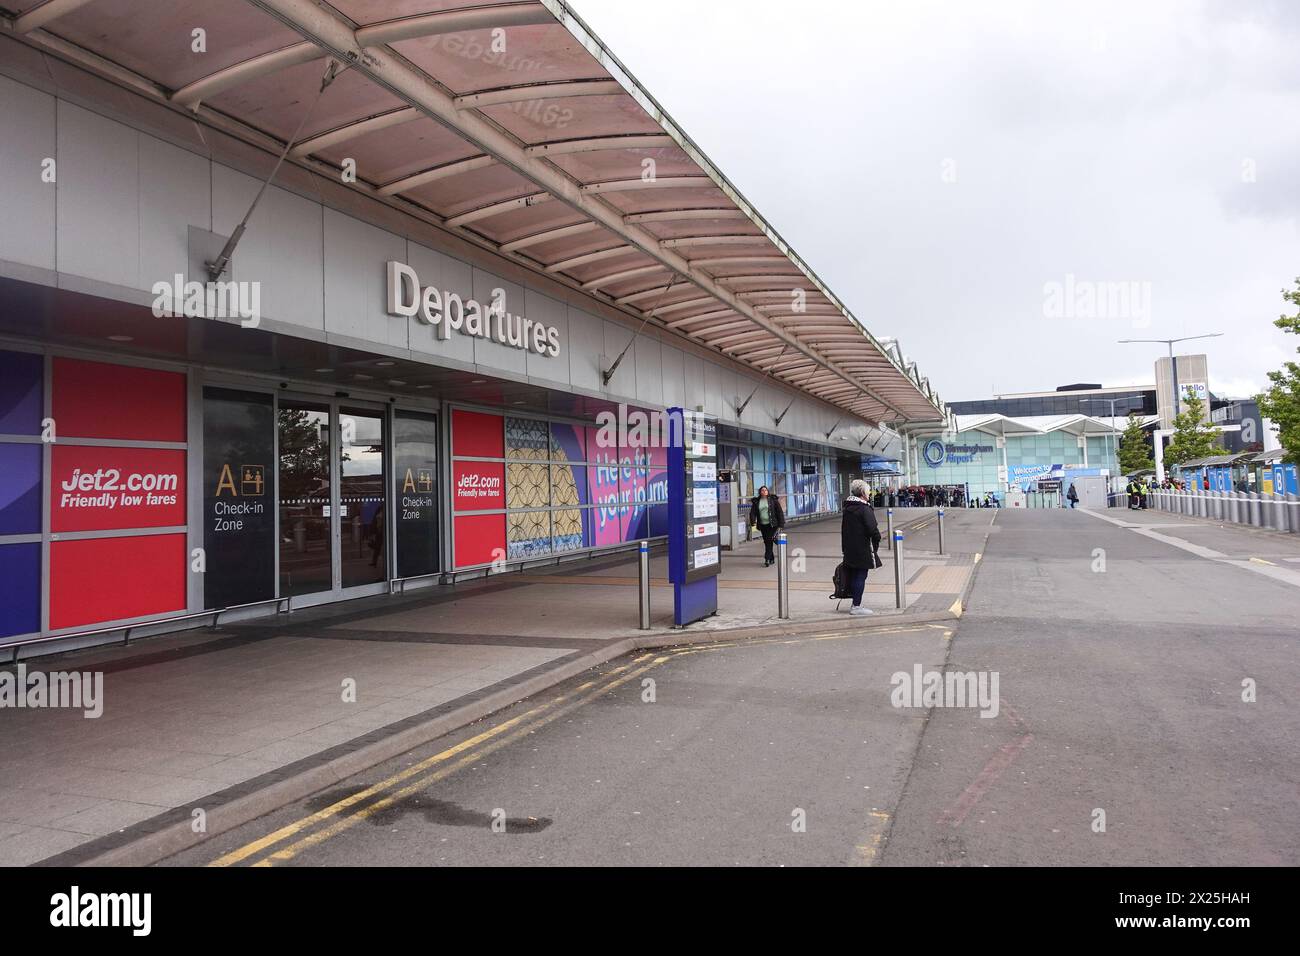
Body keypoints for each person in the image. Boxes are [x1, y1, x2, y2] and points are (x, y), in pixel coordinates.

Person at [841, 479, 882, 617]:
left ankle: (855, 602)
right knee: (860, 575)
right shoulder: (864, 508)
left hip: (850, 548)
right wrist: (877, 541)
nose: (869, 493)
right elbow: (873, 530)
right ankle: (856, 606)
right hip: (863, 548)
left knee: (854, 575)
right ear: (863, 492)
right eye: (868, 490)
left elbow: (844, 530)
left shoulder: (848, 508)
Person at [749, 485, 785, 567]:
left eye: (765, 490)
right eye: (762, 490)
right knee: (767, 542)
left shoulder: (773, 500)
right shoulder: (757, 501)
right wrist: (753, 521)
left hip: (773, 524)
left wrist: (781, 524)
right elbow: (753, 512)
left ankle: (767, 559)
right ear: (760, 492)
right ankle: (771, 558)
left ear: (768, 491)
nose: (764, 491)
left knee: (769, 541)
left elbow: (779, 512)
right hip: (763, 525)